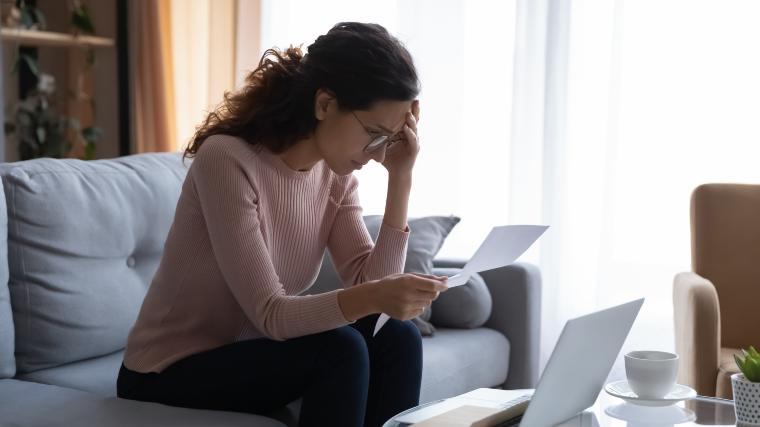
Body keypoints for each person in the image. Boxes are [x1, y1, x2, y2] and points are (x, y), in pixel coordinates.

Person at [116, 22, 448, 427]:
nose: (376, 152)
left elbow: (373, 295)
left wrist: (401, 177)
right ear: (325, 104)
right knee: (340, 349)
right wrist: (376, 297)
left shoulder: (336, 176)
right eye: (374, 134)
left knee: (397, 336)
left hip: (256, 357)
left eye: (388, 139)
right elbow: (271, 315)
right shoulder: (228, 160)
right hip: (167, 370)